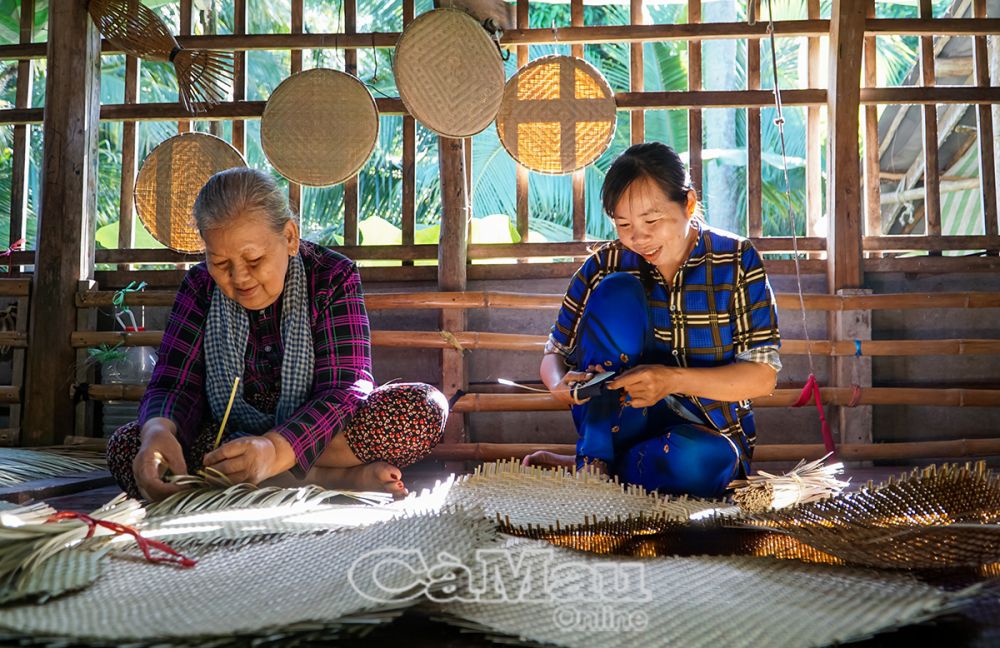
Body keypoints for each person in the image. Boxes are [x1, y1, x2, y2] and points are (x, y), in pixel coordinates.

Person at [107, 167, 448, 502]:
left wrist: (273, 449)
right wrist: (158, 433)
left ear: (289, 237)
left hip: (318, 433)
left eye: (253, 260)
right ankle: (325, 477)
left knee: (423, 410)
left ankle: (272, 472)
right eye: (220, 263)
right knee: (129, 447)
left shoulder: (332, 276)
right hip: (228, 438)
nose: (239, 278)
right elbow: (174, 384)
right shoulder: (199, 286)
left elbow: (344, 387)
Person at [526, 142, 781, 498]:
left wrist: (670, 380)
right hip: (621, 424)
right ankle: (594, 462)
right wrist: (560, 386)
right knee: (617, 291)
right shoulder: (605, 265)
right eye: (624, 224)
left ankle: (594, 471)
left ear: (688, 203)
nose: (638, 237)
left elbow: (762, 377)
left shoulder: (736, 260)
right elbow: (554, 355)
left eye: (651, 221)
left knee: (699, 462)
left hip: (705, 433)